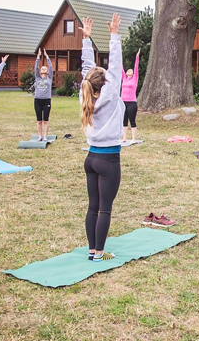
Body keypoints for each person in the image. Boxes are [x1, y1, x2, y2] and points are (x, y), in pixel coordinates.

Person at [79, 14, 125, 262]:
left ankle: (91, 250)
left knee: (92, 206)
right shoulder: (109, 94)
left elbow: (88, 69)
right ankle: (98, 254)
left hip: (91, 158)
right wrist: (114, 35)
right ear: (105, 82)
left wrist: (87, 39)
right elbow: (115, 65)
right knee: (104, 209)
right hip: (108, 160)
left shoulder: (85, 92)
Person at [121, 49, 140, 142]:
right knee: (124, 121)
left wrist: (137, 56)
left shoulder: (135, 78)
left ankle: (133, 138)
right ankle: (124, 137)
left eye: (131, 70)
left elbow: (136, 67)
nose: (129, 70)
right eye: (128, 70)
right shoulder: (124, 78)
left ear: (133, 73)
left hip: (132, 102)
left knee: (132, 120)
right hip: (123, 102)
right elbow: (120, 67)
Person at [34, 49, 53, 141]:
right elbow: (36, 66)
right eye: (42, 68)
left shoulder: (49, 78)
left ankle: (45, 136)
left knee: (45, 120)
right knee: (39, 120)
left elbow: (51, 66)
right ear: (40, 71)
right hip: (37, 100)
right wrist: (38, 55)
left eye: (45, 68)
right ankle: (40, 136)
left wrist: (46, 56)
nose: (44, 69)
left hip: (46, 100)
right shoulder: (37, 77)